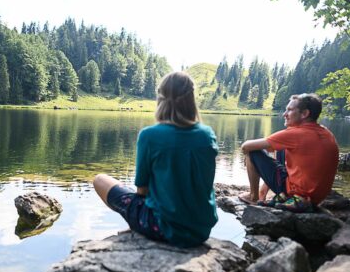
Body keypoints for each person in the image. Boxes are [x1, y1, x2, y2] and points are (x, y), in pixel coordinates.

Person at [93, 71, 218, 248]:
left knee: (100, 180)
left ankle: (138, 227)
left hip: (163, 228)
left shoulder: (149, 135)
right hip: (201, 230)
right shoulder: (207, 135)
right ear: (191, 100)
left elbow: (142, 191)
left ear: (161, 99)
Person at [239, 93, 339, 212]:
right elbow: (274, 147)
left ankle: (253, 196)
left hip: (298, 195)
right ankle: (263, 192)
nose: (284, 114)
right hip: (317, 197)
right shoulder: (327, 133)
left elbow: (245, 147)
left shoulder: (296, 134)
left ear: (304, 114)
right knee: (279, 147)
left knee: (252, 152)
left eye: (290, 110)